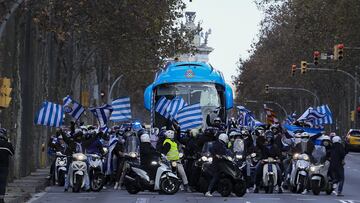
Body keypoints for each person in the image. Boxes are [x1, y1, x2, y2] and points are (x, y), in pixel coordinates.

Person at [0, 128, 14, 203]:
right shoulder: (7, 145)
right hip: (4, 167)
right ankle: (1, 199)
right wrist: (9, 142)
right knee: (2, 183)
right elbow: (12, 153)